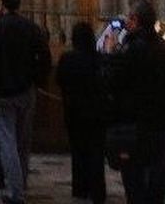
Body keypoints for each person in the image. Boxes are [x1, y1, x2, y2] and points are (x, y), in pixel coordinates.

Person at [0, 0, 51, 204]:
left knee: (6, 141)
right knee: (23, 140)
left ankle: (16, 191)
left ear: (1, 5)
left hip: (1, 95)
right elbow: (45, 58)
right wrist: (36, 81)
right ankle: (21, 181)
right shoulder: (32, 29)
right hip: (26, 92)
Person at [103, 0, 165, 204]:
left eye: (128, 17)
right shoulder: (164, 49)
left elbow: (113, 83)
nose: (126, 21)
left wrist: (109, 54)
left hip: (135, 126)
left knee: (135, 185)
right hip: (160, 124)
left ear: (135, 20)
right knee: (156, 184)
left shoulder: (132, 49)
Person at [55, 21, 106, 204]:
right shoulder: (98, 58)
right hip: (96, 112)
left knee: (78, 151)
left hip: (74, 111)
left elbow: (59, 79)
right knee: (96, 152)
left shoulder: (67, 59)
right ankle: (98, 190)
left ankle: (80, 188)